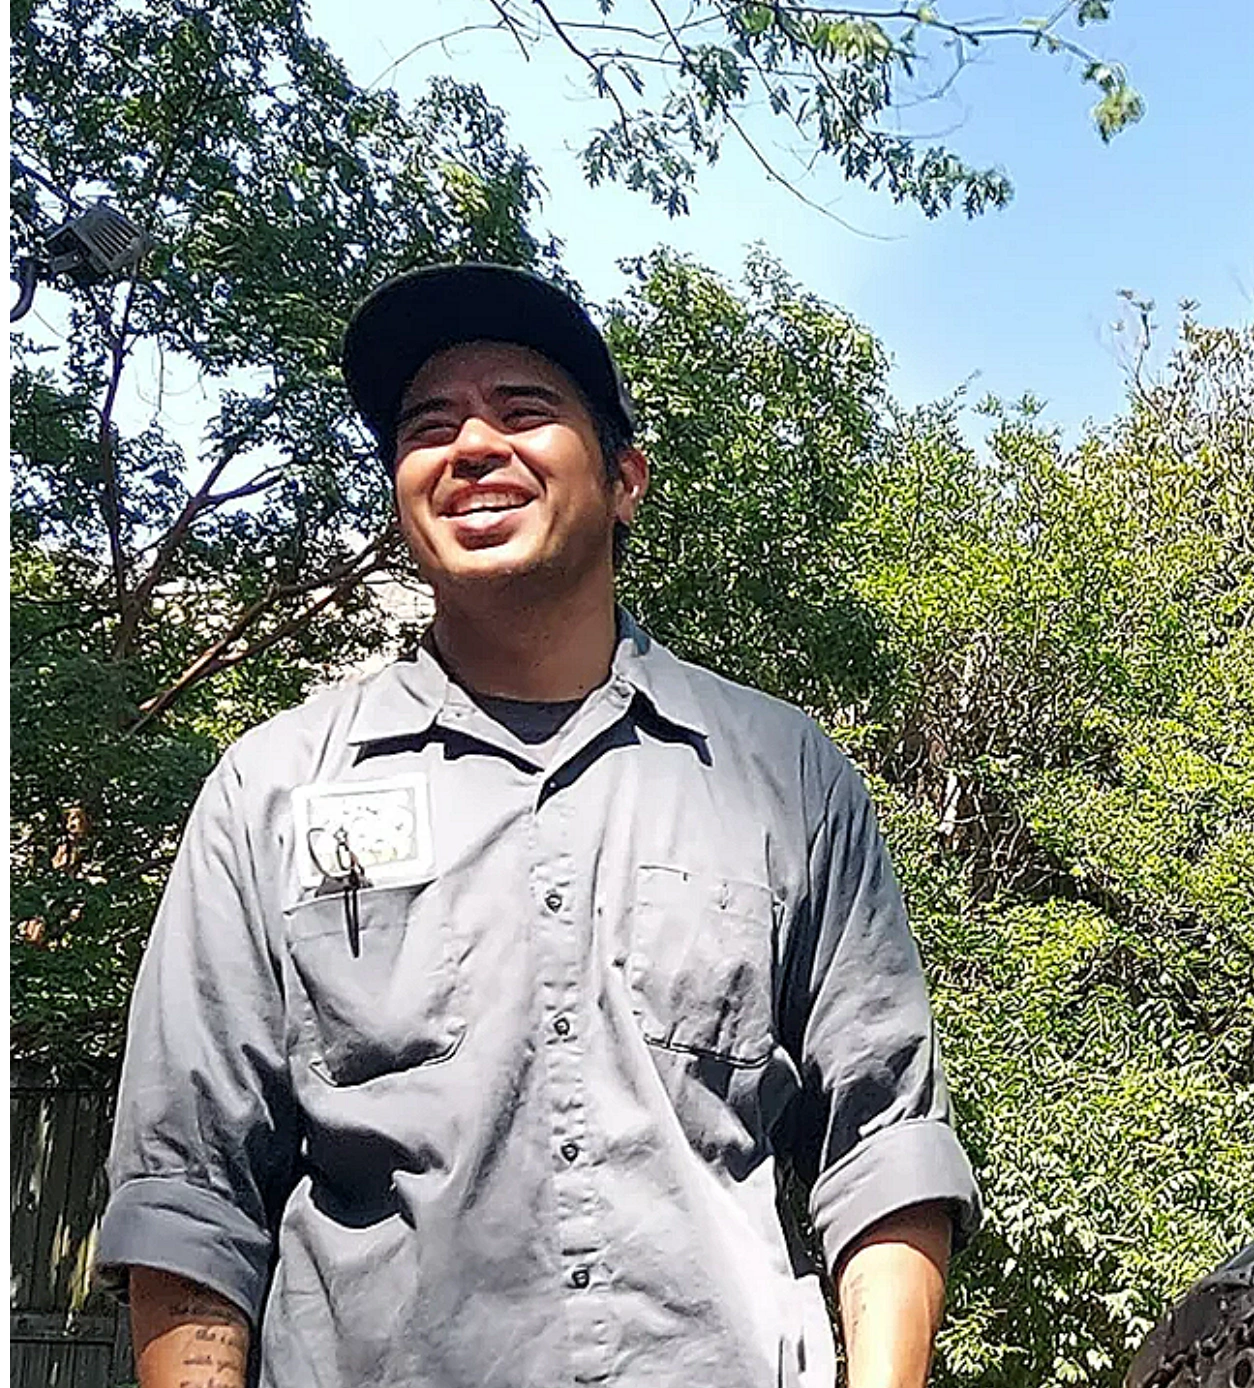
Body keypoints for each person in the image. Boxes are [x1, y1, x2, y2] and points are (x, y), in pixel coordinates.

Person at [96, 262, 977, 1388]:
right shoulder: (273, 790)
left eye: (522, 411)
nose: (470, 446)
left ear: (623, 480)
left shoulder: (783, 773)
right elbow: (188, 1192)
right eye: (428, 426)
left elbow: (884, 1141)